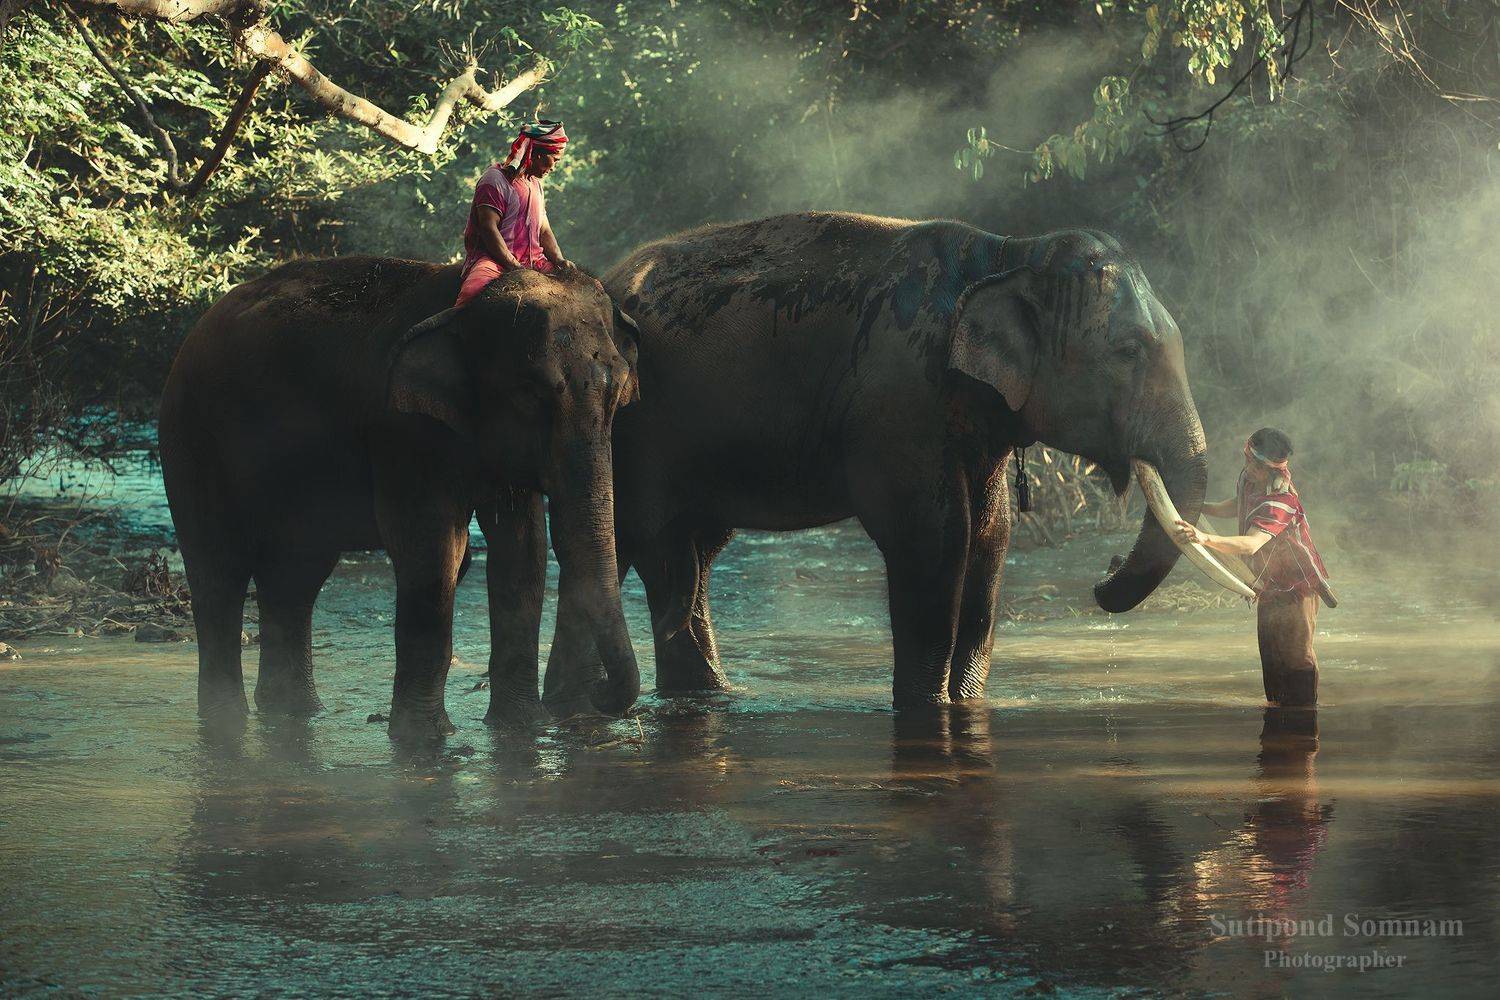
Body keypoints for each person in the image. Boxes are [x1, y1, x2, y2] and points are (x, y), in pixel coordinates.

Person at [1173, 428, 1333, 707]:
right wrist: (1199, 509)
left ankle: (1305, 724)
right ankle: (1277, 726)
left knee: (1297, 660)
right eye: (1246, 461)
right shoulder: (1249, 480)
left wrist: (1203, 537)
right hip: (1266, 583)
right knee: (1271, 658)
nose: (1247, 469)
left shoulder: (1281, 501)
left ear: (1267, 468)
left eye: (1253, 464)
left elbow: (1250, 545)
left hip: (1297, 589)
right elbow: (1239, 506)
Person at [455, 119, 573, 307]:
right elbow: (488, 228)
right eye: (554, 160)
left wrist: (559, 259)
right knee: (472, 294)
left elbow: (544, 230)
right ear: (536, 153)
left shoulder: (535, 185)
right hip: (496, 263)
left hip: (536, 263)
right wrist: (513, 266)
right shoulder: (494, 179)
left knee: (590, 288)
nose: (554, 167)